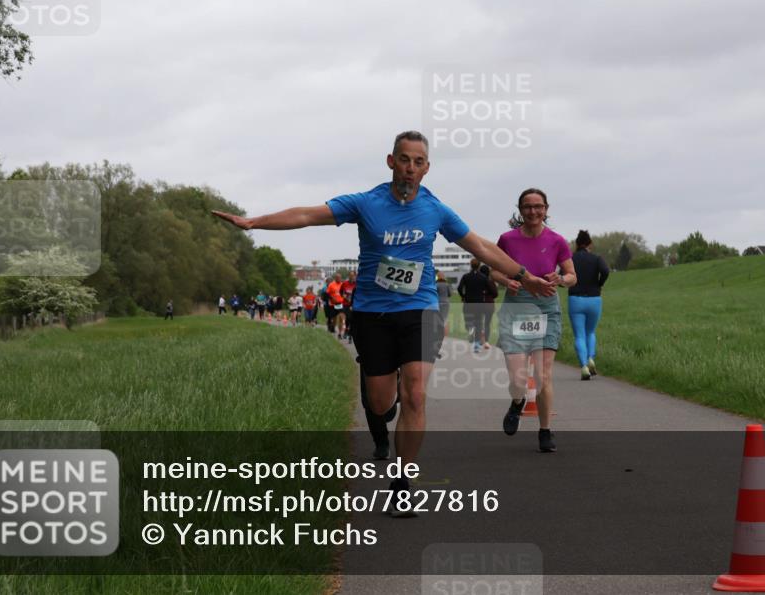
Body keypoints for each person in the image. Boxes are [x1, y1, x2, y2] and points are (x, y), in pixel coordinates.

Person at [213, 130, 552, 511]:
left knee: (416, 394)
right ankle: (382, 406)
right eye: (404, 160)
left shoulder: (435, 209)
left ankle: (403, 481)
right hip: (373, 313)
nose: (410, 168)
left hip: (420, 309)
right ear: (391, 162)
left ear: (427, 169)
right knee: (379, 404)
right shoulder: (364, 203)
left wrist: (525, 277)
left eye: (418, 162)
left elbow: (480, 247)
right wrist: (254, 222)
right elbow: (308, 214)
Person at [490, 188, 575, 453]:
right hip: (516, 308)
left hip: (546, 309)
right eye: (527, 207)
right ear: (520, 210)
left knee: (543, 375)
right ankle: (517, 403)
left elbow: (573, 275)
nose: (533, 211)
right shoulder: (507, 239)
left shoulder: (557, 240)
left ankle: (545, 431)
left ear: (546, 209)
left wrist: (561, 279)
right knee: (518, 379)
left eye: (538, 206)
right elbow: (493, 269)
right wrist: (507, 281)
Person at [568, 230, 610, 380]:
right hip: (594, 299)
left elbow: (562, 275)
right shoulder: (596, 258)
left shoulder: (571, 259)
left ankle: (584, 366)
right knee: (590, 332)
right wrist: (599, 284)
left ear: (577, 244)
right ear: (590, 243)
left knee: (579, 335)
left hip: (575, 299)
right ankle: (591, 358)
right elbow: (606, 270)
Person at [457, 259, 490, 351]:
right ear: (479, 266)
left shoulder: (466, 276)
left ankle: (470, 328)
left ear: (471, 265)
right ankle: (476, 346)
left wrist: (463, 296)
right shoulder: (483, 277)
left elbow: (459, 288)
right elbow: (489, 288)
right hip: (480, 303)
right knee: (479, 323)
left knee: (468, 320)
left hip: (468, 302)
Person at [477, 264, 498, 350]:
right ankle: (486, 341)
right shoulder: (490, 281)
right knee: (487, 323)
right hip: (489, 304)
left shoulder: (477, 282)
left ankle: (478, 339)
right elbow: (495, 294)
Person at [327, 273, 347, 338]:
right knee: (334, 319)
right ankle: (332, 327)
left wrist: (345, 297)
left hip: (341, 303)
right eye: (337, 278)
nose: (339, 279)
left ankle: (340, 333)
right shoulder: (331, 285)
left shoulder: (343, 284)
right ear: (335, 278)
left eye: (340, 278)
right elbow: (327, 294)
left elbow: (346, 293)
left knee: (341, 317)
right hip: (333, 304)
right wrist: (332, 298)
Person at [341, 271, 358, 342]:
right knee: (348, 318)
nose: (352, 277)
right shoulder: (345, 283)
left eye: (353, 275)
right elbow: (341, 292)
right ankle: (346, 330)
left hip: (354, 304)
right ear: (349, 276)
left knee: (352, 319)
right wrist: (344, 296)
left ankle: (350, 335)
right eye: (350, 275)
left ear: (355, 276)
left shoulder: (357, 284)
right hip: (346, 304)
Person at [435, 271, 451, 338]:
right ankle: (446, 334)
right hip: (446, 302)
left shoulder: (436, 285)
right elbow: (449, 294)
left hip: (438, 303)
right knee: (445, 318)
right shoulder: (447, 285)